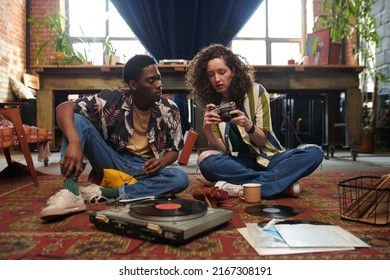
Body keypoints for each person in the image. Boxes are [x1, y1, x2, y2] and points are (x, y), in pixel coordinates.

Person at [41, 54, 189, 220]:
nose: (159, 85)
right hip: (112, 159)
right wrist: (74, 142)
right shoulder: (112, 99)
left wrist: (161, 162)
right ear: (133, 85)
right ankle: (71, 191)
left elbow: (174, 150)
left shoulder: (170, 109)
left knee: (180, 178)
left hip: (144, 168)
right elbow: (64, 107)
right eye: (151, 80)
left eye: (159, 78)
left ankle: (105, 192)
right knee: (76, 120)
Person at [185, 44, 323, 198]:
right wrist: (207, 129)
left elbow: (262, 140)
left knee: (314, 152)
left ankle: (240, 187)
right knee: (207, 162)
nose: (217, 79)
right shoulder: (212, 104)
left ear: (233, 71)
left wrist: (248, 125)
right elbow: (223, 149)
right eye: (211, 75)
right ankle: (279, 184)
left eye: (222, 72)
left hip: (270, 158)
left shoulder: (257, 92)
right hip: (238, 162)